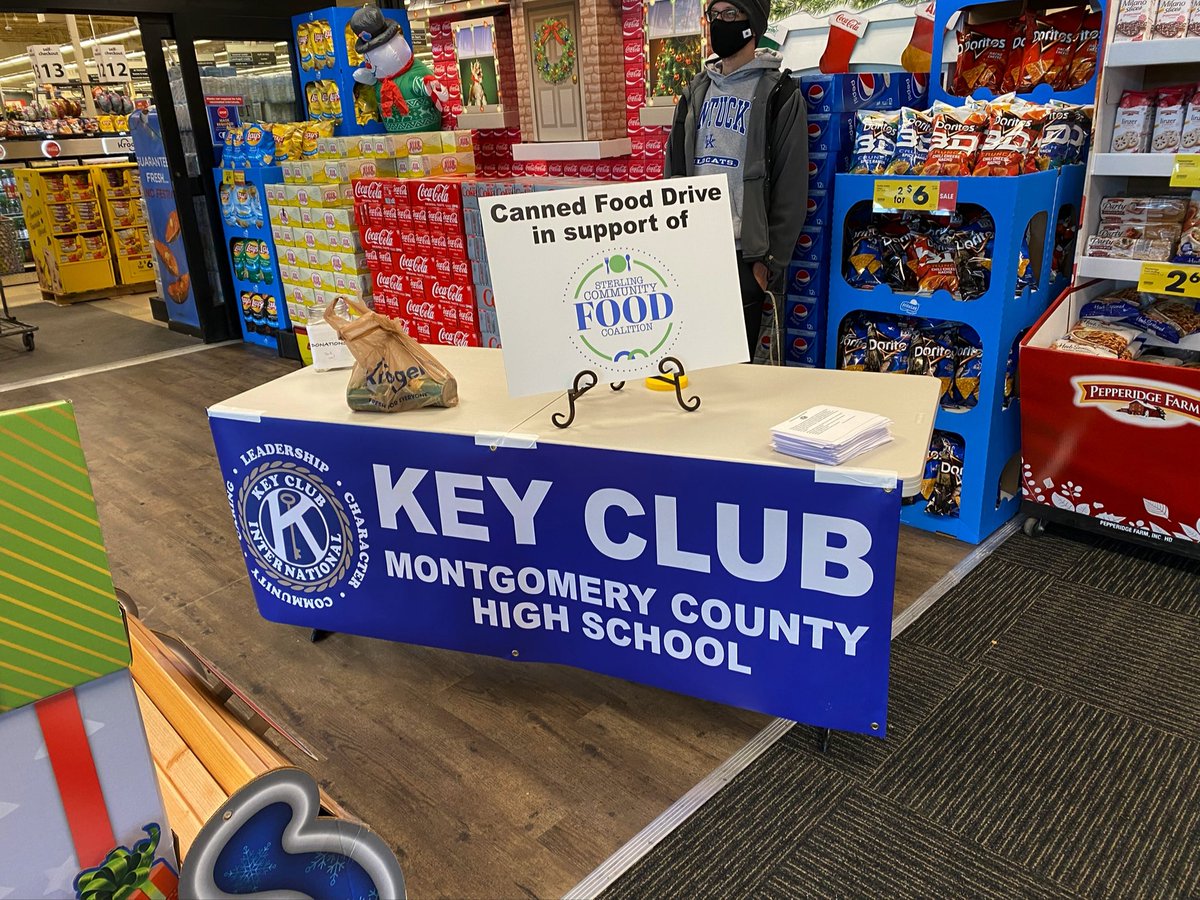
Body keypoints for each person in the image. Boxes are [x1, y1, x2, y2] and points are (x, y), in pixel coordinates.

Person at [665, 0, 808, 358]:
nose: (720, 23)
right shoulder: (695, 92)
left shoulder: (780, 94)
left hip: (745, 255)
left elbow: (791, 185)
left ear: (752, 23)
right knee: (689, 361)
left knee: (734, 368)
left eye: (731, 14)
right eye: (715, 15)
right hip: (695, 248)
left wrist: (770, 263)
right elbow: (674, 169)